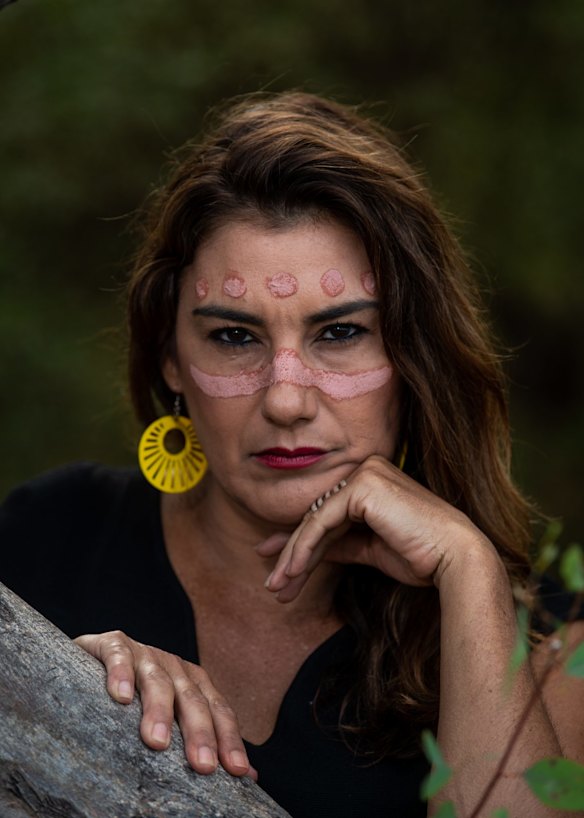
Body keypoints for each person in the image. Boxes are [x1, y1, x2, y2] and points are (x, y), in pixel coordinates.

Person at [1, 92, 582, 818]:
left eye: (338, 334)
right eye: (234, 337)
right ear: (170, 358)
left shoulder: (557, 642)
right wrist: (58, 687)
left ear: (415, 356)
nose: (286, 400)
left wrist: (468, 572)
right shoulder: (42, 539)